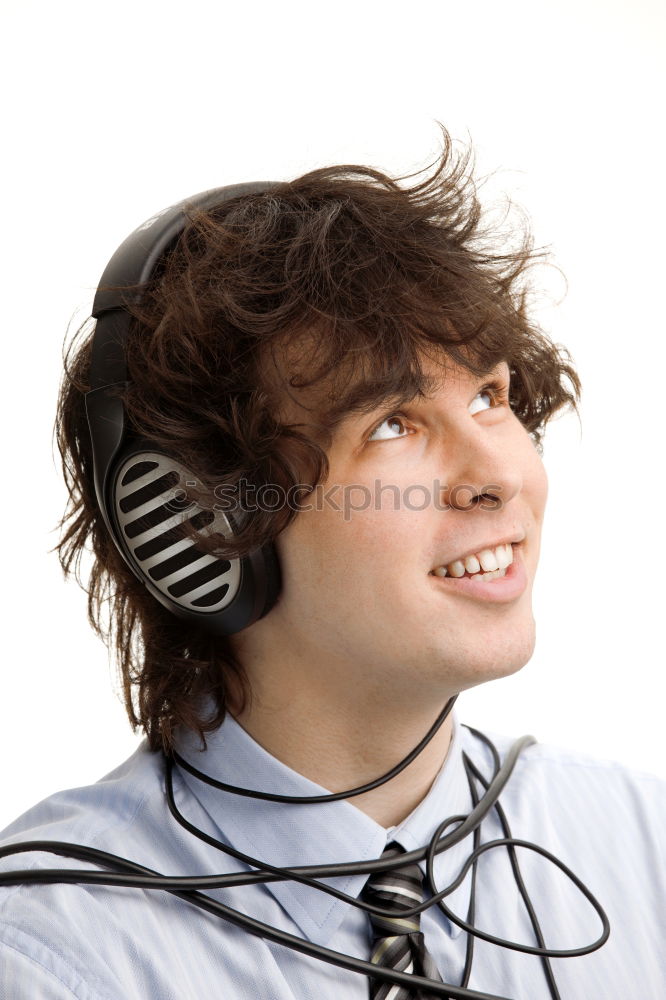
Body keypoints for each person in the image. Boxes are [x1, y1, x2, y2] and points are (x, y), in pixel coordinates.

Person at [0, 125, 664, 1000]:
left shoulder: (639, 841)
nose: (500, 477)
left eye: (489, 397)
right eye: (393, 424)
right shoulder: (56, 957)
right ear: (195, 521)